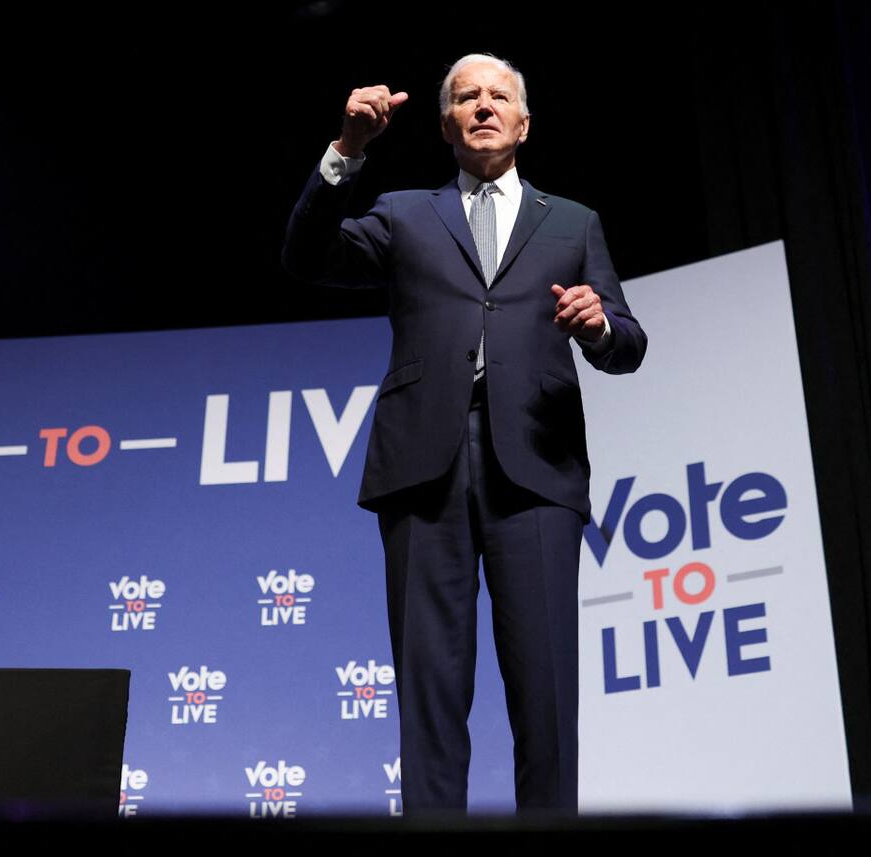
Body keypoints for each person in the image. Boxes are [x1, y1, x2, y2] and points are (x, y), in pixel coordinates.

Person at [282, 53, 647, 815]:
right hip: (423, 465)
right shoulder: (406, 212)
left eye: (499, 95)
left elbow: (629, 343)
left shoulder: (574, 222)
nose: (484, 105)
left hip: (538, 464)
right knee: (431, 693)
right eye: (466, 97)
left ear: (523, 122)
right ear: (447, 125)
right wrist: (347, 151)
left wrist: (600, 325)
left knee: (546, 691)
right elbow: (307, 257)